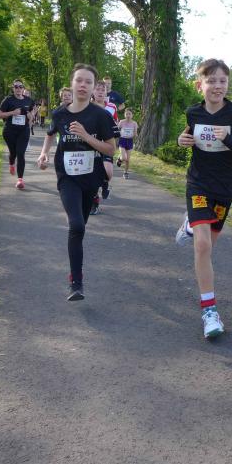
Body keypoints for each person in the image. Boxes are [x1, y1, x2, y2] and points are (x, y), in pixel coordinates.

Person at [175, 58, 232, 339]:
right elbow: (187, 137)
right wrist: (181, 141)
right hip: (198, 183)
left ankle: (190, 224)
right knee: (202, 246)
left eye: (222, 81)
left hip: (224, 187)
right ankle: (209, 312)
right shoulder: (193, 112)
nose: (217, 86)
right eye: (211, 81)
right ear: (199, 85)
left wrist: (229, 139)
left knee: (208, 247)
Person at [36, 64, 116, 301]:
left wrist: (86, 136)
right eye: (79, 80)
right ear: (71, 83)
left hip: (90, 178)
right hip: (67, 177)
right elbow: (50, 134)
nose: (83, 85)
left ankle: (75, 273)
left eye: (88, 82)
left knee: (80, 229)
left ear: (94, 87)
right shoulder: (60, 113)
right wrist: (44, 154)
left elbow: (110, 148)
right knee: (77, 226)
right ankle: (76, 282)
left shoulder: (101, 115)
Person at [0, 79, 36, 189]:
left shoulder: (29, 100)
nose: (18, 89)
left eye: (20, 87)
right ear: (13, 89)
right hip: (9, 131)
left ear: (23, 89)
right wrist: (13, 113)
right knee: (13, 153)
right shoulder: (8, 100)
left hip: (23, 131)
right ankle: (11, 163)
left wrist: (30, 116)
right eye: (16, 87)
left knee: (20, 153)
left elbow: (32, 113)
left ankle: (20, 180)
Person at [90, 80, 120, 214]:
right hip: (91, 143)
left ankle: (105, 183)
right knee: (92, 174)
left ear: (106, 92)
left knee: (108, 173)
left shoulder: (112, 107)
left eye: (103, 90)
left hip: (107, 144)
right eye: (97, 89)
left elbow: (115, 123)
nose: (100, 92)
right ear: (93, 91)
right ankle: (94, 202)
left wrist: (115, 143)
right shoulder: (88, 106)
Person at [116, 108, 138, 179]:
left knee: (127, 160)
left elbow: (135, 133)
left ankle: (126, 173)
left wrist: (135, 135)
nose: (128, 115)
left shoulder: (134, 123)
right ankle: (119, 159)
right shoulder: (121, 122)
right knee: (124, 157)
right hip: (122, 140)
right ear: (124, 115)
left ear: (132, 115)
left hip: (130, 141)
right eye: (126, 114)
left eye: (129, 114)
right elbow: (117, 130)